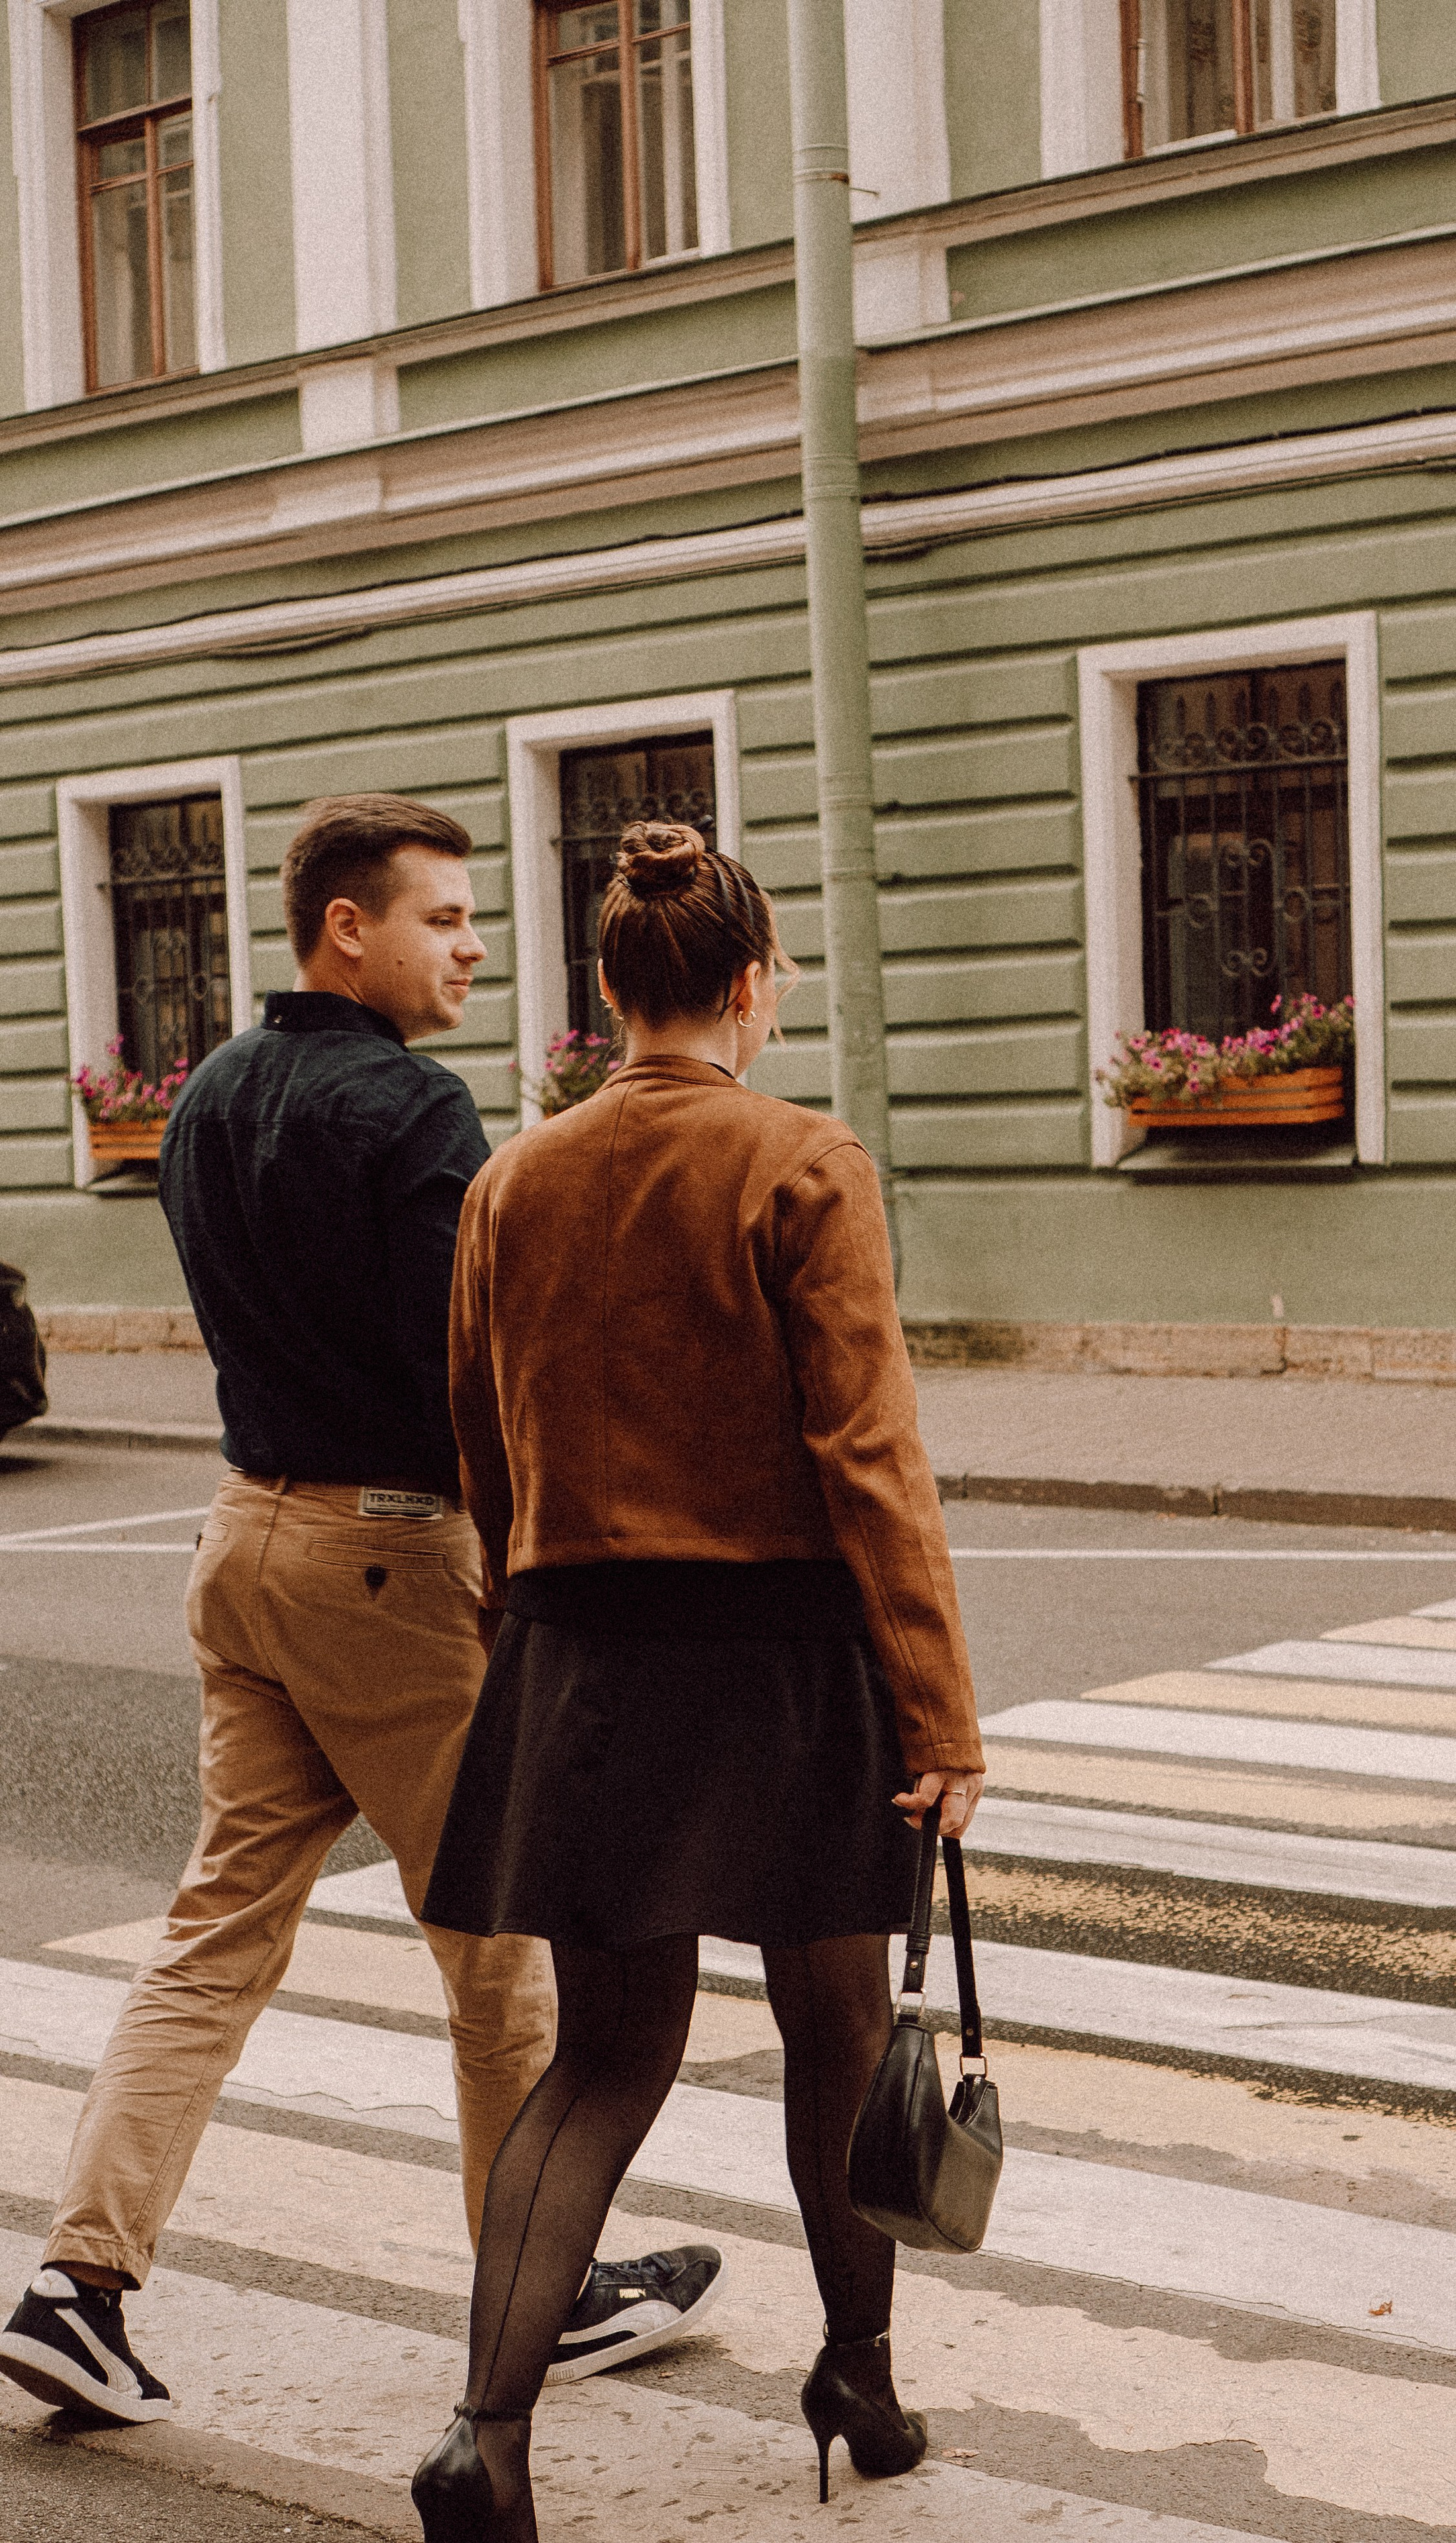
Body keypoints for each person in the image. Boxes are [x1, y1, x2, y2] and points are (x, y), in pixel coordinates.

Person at [0, 795, 720, 2429]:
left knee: (213, 1936)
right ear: (348, 928)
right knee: (499, 1955)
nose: (473, 945)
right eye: (445, 918)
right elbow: (470, 1371)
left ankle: (79, 2288)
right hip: (390, 1563)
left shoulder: (210, 1094)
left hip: (243, 1541)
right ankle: (542, 2281)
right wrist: (541, 1567)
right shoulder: (410, 1113)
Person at [410, 821, 986, 2542]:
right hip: (789, 1662)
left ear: (606, 991)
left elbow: (480, 1444)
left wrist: (529, 1629)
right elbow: (869, 1456)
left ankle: (483, 2435)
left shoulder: (516, 1181)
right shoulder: (804, 1164)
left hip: (587, 1658)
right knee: (837, 2034)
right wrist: (943, 1717)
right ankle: (858, 2383)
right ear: (752, 985)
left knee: (602, 2060)